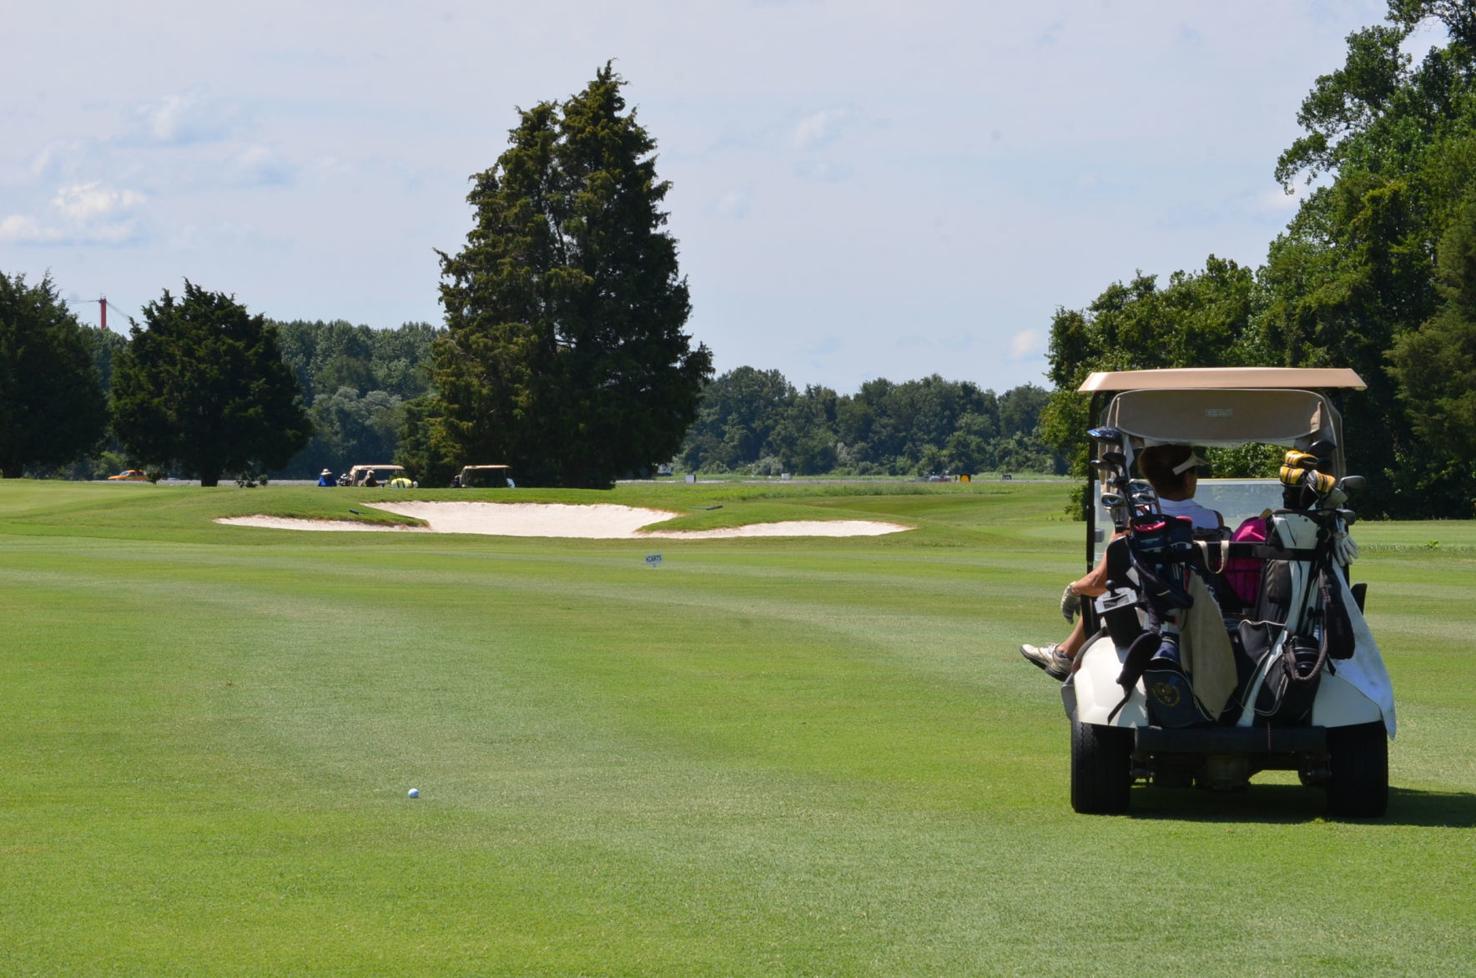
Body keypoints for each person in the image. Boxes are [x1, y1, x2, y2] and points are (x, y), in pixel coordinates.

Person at [1019, 444, 1223, 679]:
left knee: (1112, 592)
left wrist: (1074, 588)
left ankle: (1065, 654)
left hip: (1152, 615)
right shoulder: (1213, 520)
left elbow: (1099, 581)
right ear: (1187, 479)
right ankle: (1065, 654)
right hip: (1204, 609)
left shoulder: (1136, 523)